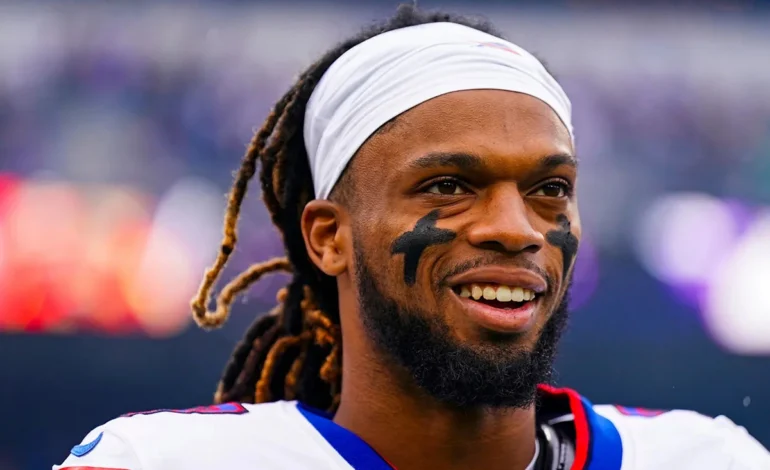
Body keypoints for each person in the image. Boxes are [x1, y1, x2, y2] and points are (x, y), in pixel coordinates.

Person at [55, 5, 770, 470]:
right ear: (328, 237)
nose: (515, 229)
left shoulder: (710, 459)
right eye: (449, 185)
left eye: (549, 189)